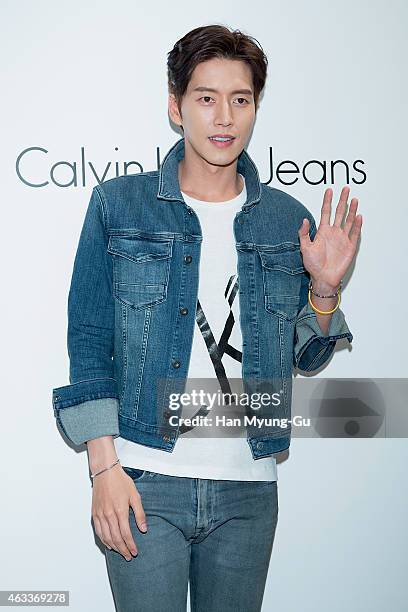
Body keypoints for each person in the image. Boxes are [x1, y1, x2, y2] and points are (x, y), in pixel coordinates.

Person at [52, 24, 362, 612]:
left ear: (254, 108)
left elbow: (306, 356)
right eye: (206, 98)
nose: (224, 117)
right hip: (143, 482)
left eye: (240, 99)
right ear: (176, 107)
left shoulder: (285, 219)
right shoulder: (119, 205)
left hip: (248, 492)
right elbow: (89, 340)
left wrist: (324, 290)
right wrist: (103, 470)